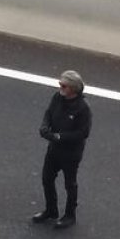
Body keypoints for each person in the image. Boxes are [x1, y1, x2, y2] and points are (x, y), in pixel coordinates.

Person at [33, 70, 92, 229]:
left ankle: (70, 215)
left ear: (73, 88)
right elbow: (49, 112)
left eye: (64, 85)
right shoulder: (57, 97)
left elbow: (83, 133)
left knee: (70, 183)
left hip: (70, 153)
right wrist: (45, 127)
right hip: (54, 148)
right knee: (47, 178)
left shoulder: (83, 108)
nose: (60, 87)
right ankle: (51, 210)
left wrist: (60, 137)